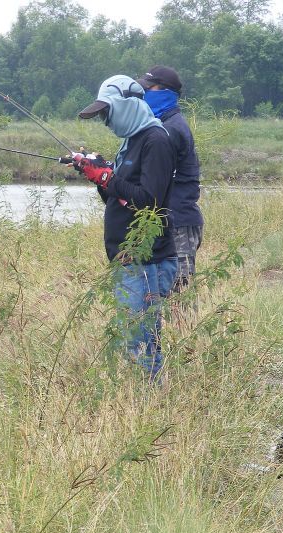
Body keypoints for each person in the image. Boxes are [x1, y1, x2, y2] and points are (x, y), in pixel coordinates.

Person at [73, 75, 178, 378]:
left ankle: (148, 402)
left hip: (149, 260)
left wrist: (107, 177)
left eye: (108, 112)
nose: (105, 120)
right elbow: (117, 197)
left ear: (127, 105)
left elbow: (150, 202)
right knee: (131, 336)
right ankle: (138, 400)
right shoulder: (131, 141)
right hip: (128, 258)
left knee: (141, 338)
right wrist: (97, 172)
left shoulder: (156, 141)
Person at [137, 66, 204, 294]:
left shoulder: (171, 129)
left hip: (180, 222)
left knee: (179, 296)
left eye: (149, 89)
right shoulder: (160, 127)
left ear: (165, 92)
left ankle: (185, 331)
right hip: (170, 221)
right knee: (161, 295)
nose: (144, 94)